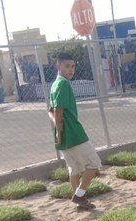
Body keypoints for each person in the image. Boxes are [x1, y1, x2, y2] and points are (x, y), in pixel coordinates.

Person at [48, 52, 101, 210]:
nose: (71, 70)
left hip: (64, 135)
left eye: (72, 66)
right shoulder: (63, 84)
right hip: (74, 133)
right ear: (58, 66)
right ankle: (79, 194)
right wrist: (60, 129)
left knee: (74, 168)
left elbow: (49, 111)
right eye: (67, 66)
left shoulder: (54, 84)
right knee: (94, 164)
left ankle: (80, 198)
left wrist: (58, 131)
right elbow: (57, 109)